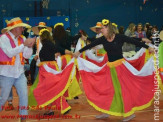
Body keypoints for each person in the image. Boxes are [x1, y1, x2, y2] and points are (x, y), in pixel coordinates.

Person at [74, 19, 154, 121]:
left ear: (108, 28)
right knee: (107, 90)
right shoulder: (103, 39)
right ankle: (106, 111)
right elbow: (91, 44)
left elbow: (133, 41)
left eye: (103, 28)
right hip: (109, 68)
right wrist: (78, 52)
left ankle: (129, 114)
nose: (101, 30)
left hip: (121, 68)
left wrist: (147, 46)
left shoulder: (119, 37)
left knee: (122, 91)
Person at [0, 17, 35, 122]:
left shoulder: (22, 38)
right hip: (6, 73)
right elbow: (10, 53)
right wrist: (24, 45)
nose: (23, 29)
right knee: (3, 98)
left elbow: (27, 56)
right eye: (21, 27)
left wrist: (29, 47)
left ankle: (23, 118)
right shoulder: (3, 38)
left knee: (24, 95)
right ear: (14, 28)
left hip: (20, 73)